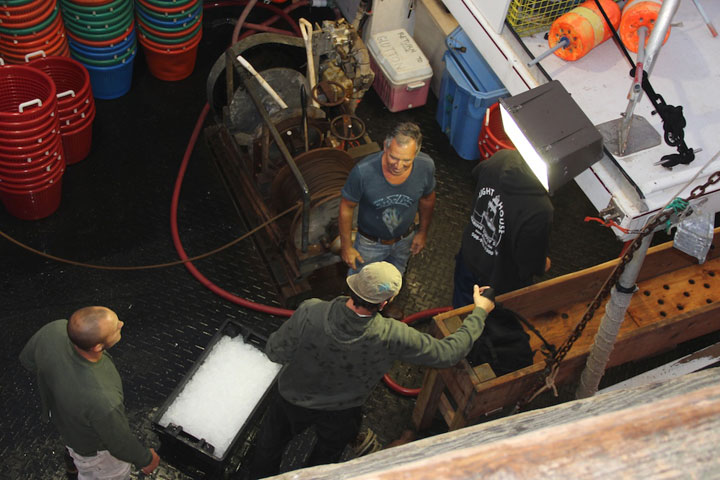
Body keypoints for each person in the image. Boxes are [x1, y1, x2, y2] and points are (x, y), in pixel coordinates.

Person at [249, 261, 494, 478]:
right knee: (325, 460)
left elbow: (274, 351)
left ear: (353, 287)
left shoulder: (310, 311)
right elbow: (449, 353)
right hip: (342, 412)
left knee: (267, 450)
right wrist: (479, 312)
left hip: (291, 401)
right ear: (385, 303)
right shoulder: (393, 335)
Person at [19, 306, 161, 479]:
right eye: (116, 327)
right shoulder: (103, 399)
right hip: (95, 453)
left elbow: (28, 360)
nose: (121, 324)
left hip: (65, 423)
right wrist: (147, 459)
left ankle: (72, 466)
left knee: (73, 451)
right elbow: (119, 444)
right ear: (97, 347)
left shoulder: (55, 329)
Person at [452, 149, 553, 308]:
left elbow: (477, 174)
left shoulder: (502, 158)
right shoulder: (540, 209)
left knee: (459, 312)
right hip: (498, 280)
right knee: (490, 323)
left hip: (469, 257)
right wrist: (542, 263)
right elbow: (529, 263)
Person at [339, 122, 436, 275]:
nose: (398, 166)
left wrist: (422, 233)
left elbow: (427, 200)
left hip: (405, 241)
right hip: (369, 245)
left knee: (393, 282)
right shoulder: (362, 172)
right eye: (393, 157)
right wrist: (346, 247)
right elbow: (347, 206)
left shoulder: (426, 167)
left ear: (416, 154)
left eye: (406, 161)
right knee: (361, 285)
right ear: (385, 146)